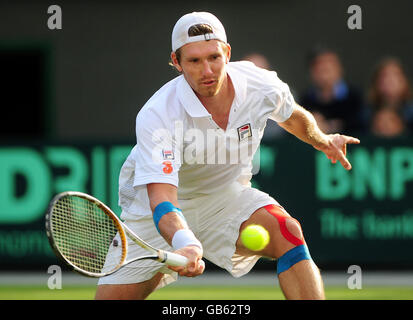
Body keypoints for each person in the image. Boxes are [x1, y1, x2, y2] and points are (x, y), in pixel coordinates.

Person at [95, 12, 360, 300]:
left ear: (227, 53)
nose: (207, 70)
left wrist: (323, 141)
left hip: (226, 198)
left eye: (214, 57)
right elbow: (162, 199)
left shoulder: (260, 85)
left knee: (288, 231)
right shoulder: (157, 114)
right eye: (194, 61)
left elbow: (292, 117)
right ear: (176, 62)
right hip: (154, 215)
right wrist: (185, 242)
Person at [299, 47, 367, 135]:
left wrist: (334, 126)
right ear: (312, 73)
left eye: (328, 69)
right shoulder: (304, 101)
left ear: (340, 69)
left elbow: (363, 128)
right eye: (320, 70)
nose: (325, 76)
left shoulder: (356, 97)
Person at [367, 57, 413, 134]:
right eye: (384, 76)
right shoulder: (365, 115)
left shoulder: (410, 113)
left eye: (395, 75)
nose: (390, 80)